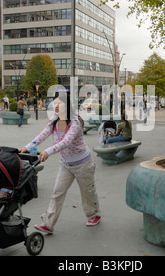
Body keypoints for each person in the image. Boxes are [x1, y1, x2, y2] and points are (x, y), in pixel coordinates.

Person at [18, 91, 101, 235]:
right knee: (57, 193)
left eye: (59, 103)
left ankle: (94, 215)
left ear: (67, 105)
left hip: (83, 164)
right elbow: (42, 135)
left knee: (87, 193)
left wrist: (48, 151)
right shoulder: (54, 121)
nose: (55, 106)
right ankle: (48, 223)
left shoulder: (74, 122)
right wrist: (26, 147)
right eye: (54, 103)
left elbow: (66, 142)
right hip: (66, 165)